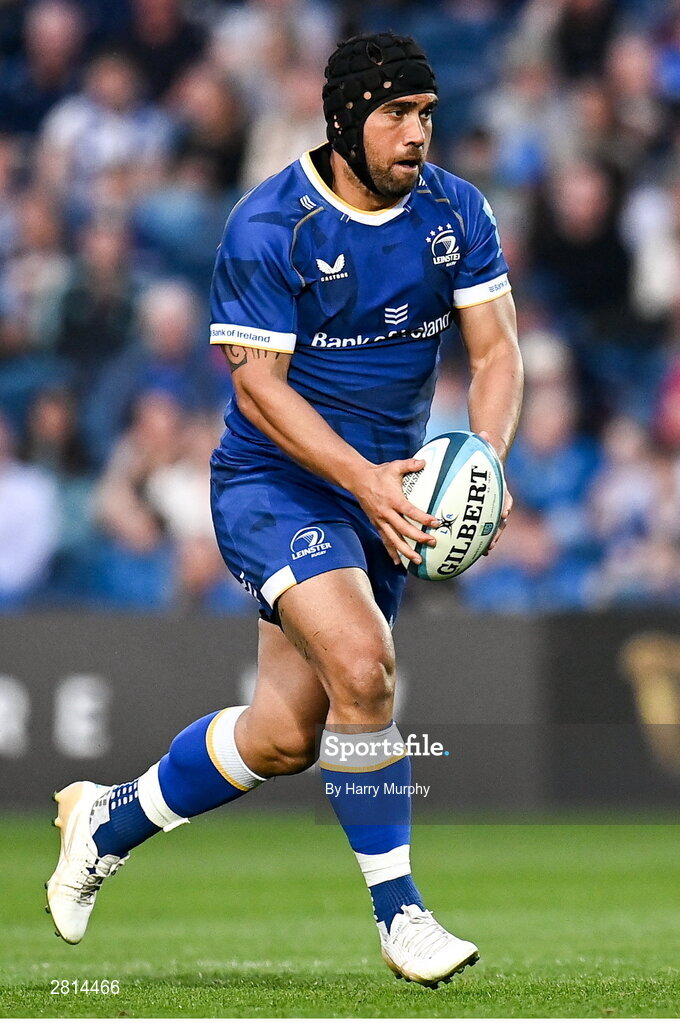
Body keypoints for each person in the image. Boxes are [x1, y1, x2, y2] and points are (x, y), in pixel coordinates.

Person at [46, 32, 523, 987]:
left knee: (285, 735)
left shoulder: (454, 210)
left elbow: (499, 353)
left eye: (427, 113)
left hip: (388, 493)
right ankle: (403, 916)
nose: (418, 134)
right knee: (364, 666)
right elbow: (259, 389)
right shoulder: (271, 225)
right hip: (278, 484)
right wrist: (368, 483)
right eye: (396, 114)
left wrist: (484, 469)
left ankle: (108, 817)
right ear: (345, 119)